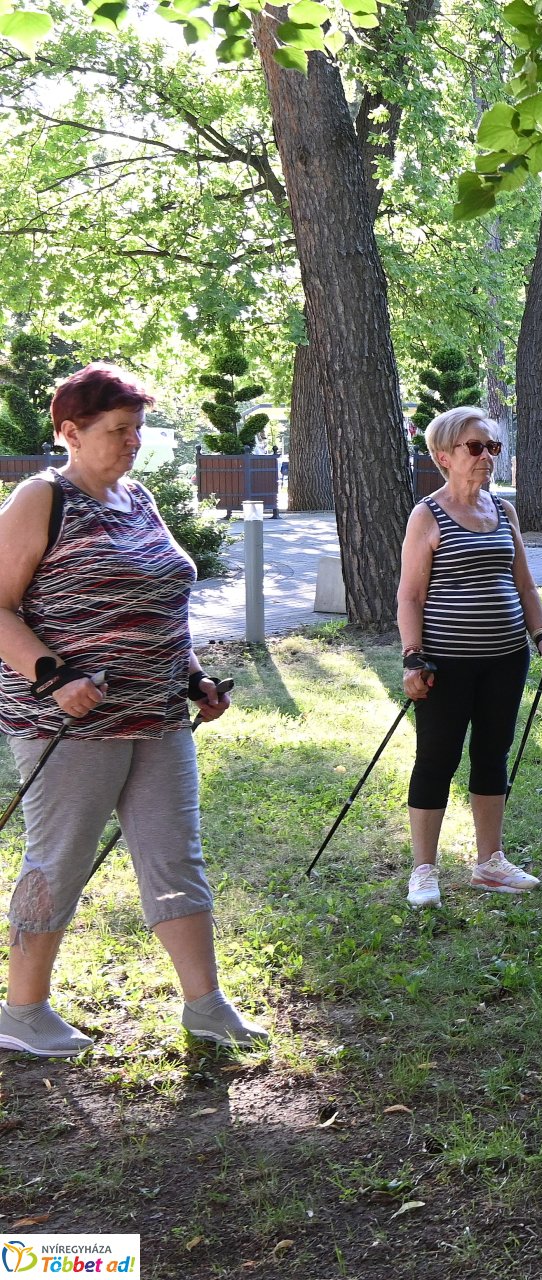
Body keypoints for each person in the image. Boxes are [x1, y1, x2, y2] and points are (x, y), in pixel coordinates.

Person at [0, 363, 266, 1055]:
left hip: (157, 717)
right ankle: (22, 1012)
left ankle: (205, 1005)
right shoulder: (41, 498)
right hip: (69, 724)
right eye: (118, 430)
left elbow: (155, 606)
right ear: (70, 432)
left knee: (176, 856)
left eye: (138, 429)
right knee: (58, 859)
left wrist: (195, 680)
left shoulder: (137, 499)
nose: (133, 442)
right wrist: (53, 676)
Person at [397, 407, 542, 908]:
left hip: (506, 658)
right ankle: (424, 869)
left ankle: (490, 861)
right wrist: (412, 657)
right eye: (475, 447)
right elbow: (409, 596)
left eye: (493, 447)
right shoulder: (427, 514)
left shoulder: (503, 511)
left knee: (492, 755)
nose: (487, 457)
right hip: (447, 662)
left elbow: (524, 583)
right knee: (437, 759)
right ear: (444, 456)